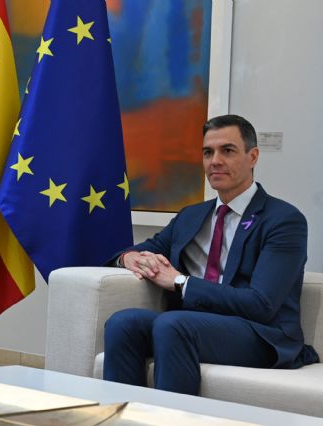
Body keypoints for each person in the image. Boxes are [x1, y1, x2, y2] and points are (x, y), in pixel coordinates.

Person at [103, 114, 319, 395]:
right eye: (208, 152)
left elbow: (261, 304)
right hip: (192, 326)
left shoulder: (283, 220)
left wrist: (181, 283)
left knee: (173, 323)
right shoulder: (192, 216)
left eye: (227, 151)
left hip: (260, 333)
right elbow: (143, 248)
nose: (215, 160)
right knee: (124, 322)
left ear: (253, 156)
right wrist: (128, 258)